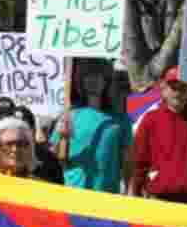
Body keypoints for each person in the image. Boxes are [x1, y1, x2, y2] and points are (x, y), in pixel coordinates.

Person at [128, 67, 187, 205]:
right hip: (158, 202)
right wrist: (134, 191)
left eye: (183, 87)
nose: (178, 92)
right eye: (173, 87)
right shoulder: (151, 120)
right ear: (163, 88)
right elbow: (139, 161)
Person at [52, 58, 131, 193]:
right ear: (81, 82)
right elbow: (56, 159)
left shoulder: (120, 119)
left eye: (98, 76)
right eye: (88, 76)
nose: (93, 80)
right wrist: (61, 138)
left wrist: (129, 190)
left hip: (109, 194)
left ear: (106, 81)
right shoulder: (68, 116)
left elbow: (127, 161)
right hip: (75, 191)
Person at [14, 105, 64, 185]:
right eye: (13, 128)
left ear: (33, 130)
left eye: (23, 129)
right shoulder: (0, 159)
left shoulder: (49, 159)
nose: (18, 134)